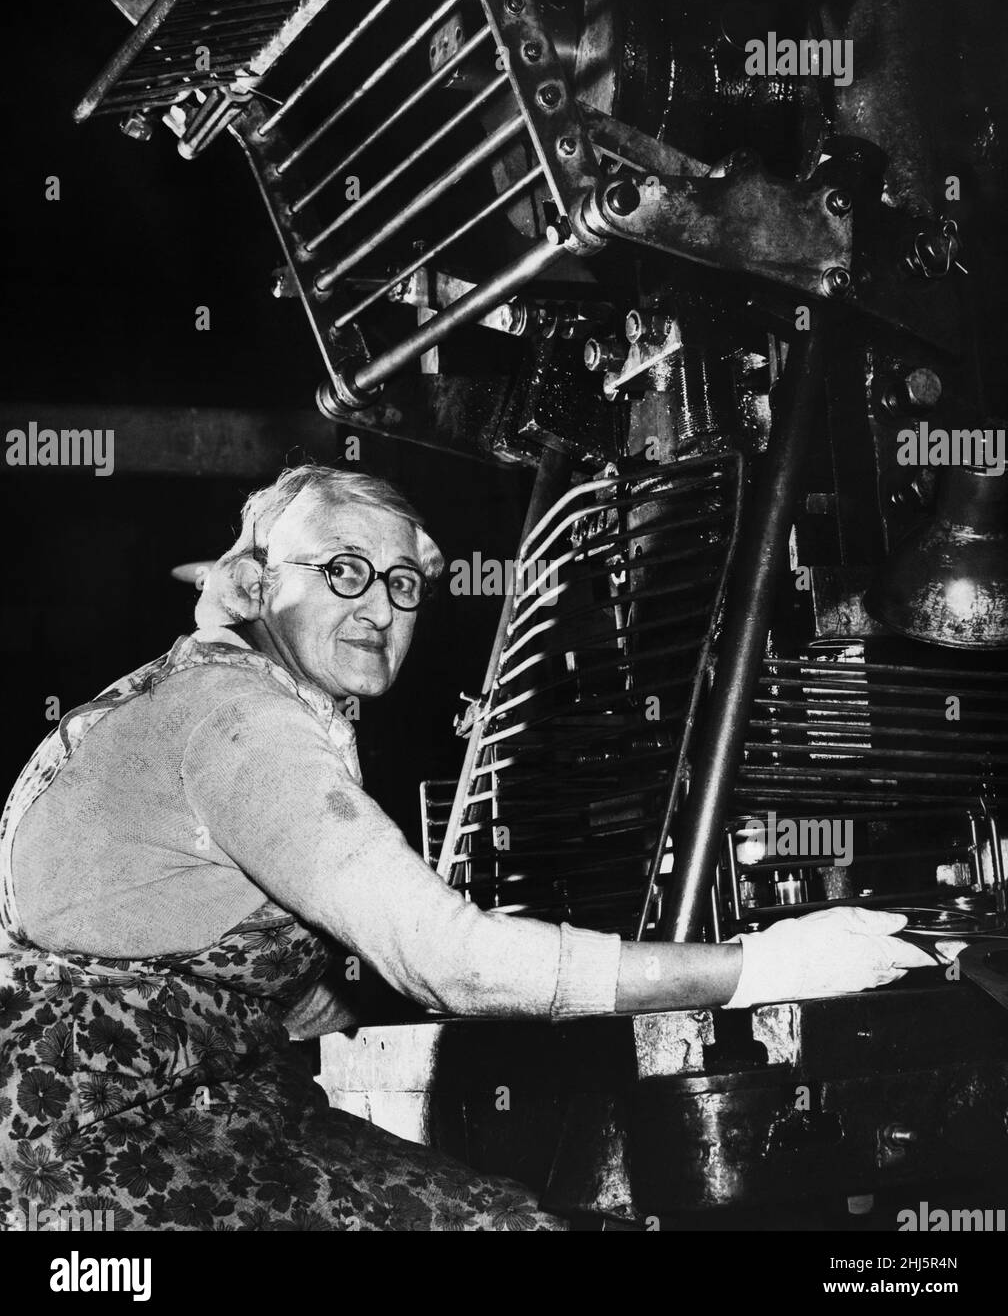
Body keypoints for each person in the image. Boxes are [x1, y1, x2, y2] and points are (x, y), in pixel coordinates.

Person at [0, 465, 934, 1231]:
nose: (379, 606)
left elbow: (150, 916)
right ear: (254, 584)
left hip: (148, 1105)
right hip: (104, 1146)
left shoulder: (205, 682)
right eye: (342, 570)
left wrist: (299, 992)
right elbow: (456, 962)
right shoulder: (237, 718)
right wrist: (759, 966)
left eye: (402, 581)